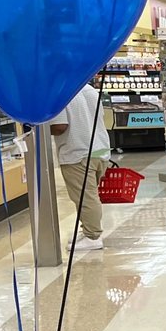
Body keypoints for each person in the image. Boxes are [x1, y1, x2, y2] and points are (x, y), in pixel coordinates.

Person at [49, 83, 111, 251]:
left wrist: (39, 126)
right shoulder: (89, 89)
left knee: (85, 197)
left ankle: (93, 236)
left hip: (77, 152)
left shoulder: (59, 92)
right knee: (89, 194)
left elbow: (60, 126)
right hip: (100, 148)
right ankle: (88, 230)